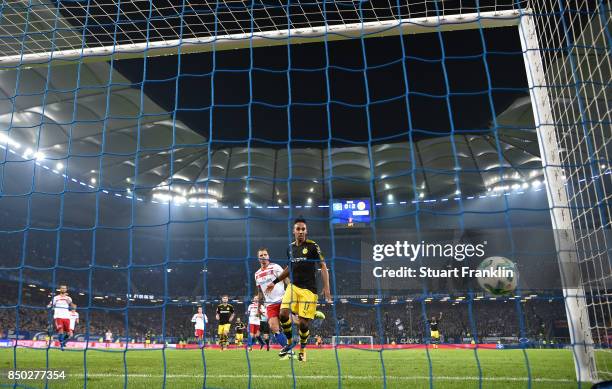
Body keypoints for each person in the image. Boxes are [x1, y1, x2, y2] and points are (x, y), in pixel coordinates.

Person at [267, 217, 332, 362]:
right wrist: (275, 281)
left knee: (303, 324)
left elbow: (323, 266)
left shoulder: (313, 246)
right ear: (294, 231)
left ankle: (302, 349)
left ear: (306, 231)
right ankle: (289, 343)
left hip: (309, 290)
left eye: (303, 229)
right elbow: (289, 268)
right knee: (283, 314)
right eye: (298, 229)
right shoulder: (290, 248)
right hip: (293, 286)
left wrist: (327, 287)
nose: (301, 231)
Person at [254, 247, 288, 353]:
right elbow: (260, 292)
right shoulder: (257, 274)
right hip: (269, 304)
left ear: (268, 256)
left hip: (283, 299)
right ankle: (288, 350)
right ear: (258, 258)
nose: (263, 257)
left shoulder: (275, 267)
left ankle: (310, 314)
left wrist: (291, 293)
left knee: (291, 321)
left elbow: (286, 279)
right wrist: (258, 307)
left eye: (265, 255)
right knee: (274, 327)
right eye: (261, 255)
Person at [46, 284, 76, 350]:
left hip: (66, 317)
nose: (63, 289)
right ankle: (62, 346)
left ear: (66, 290)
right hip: (58, 316)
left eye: (64, 288)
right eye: (62, 288)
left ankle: (62, 342)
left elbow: (74, 307)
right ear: (60, 289)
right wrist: (48, 306)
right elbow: (49, 305)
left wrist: (70, 303)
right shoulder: (56, 298)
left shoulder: (69, 298)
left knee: (69, 334)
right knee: (61, 331)